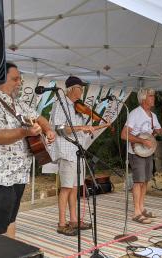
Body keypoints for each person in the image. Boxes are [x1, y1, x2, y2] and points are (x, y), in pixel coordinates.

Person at [0, 62, 56, 239]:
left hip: (17, 175)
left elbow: (39, 118)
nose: (20, 82)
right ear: (0, 79)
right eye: (15, 79)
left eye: (20, 79)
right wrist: (25, 131)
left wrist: (48, 130)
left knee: (10, 221)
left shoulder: (18, 104)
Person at [50, 76, 101, 236]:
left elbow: (77, 129)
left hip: (76, 151)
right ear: (72, 89)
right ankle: (61, 223)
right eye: (80, 88)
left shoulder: (77, 106)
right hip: (66, 150)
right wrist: (81, 127)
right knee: (66, 188)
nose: (82, 91)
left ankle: (73, 220)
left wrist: (86, 129)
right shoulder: (60, 104)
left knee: (73, 188)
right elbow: (58, 128)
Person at [121, 88, 162, 224]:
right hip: (136, 152)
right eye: (151, 96)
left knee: (146, 180)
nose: (153, 98)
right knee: (138, 181)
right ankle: (136, 213)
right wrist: (142, 141)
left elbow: (159, 131)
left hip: (148, 152)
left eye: (153, 96)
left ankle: (141, 208)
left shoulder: (153, 116)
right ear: (143, 99)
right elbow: (124, 135)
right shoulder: (135, 114)